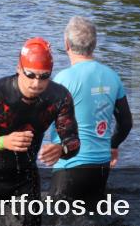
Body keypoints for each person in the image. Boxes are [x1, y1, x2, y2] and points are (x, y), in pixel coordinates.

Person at [0, 38, 80, 226]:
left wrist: (62, 149)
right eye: (31, 75)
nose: (37, 83)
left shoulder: (59, 97)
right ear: (19, 68)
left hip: (25, 178)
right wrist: (3, 141)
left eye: (44, 76)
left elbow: (74, 141)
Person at [41, 17, 132, 204]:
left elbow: (40, 119)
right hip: (101, 167)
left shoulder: (63, 79)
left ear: (67, 44)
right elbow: (126, 123)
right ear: (94, 44)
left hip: (69, 166)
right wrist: (113, 145)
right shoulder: (112, 76)